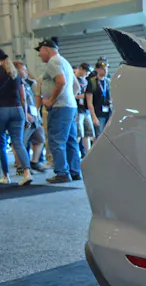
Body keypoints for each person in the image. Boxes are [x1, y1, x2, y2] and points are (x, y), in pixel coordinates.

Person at [35, 39, 81, 184]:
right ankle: (74, 172)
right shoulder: (65, 62)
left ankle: (62, 173)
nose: (39, 54)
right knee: (71, 141)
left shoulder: (53, 62)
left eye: (40, 51)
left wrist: (51, 100)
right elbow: (76, 86)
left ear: (47, 49)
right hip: (70, 107)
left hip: (60, 108)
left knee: (56, 141)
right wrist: (68, 98)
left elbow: (61, 81)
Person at [0, 48, 33, 186]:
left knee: (2, 144)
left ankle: (6, 176)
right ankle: (27, 173)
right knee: (18, 142)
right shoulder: (15, 75)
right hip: (18, 110)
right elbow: (23, 98)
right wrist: (25, 116)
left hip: (1, 110)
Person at [13, 61, 47, 172]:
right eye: (23, 69)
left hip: (34, 116)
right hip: (23, 116)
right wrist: (25, 114)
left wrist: (36, 113)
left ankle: (34, 162)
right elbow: (17, 100)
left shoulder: (26, 83)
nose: (26, 71)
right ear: (17, 70)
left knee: (40, 138)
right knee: (20, 143)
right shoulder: (14, 83)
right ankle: (20, 167)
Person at [86, 60, 111, 138]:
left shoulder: (108, 82)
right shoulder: (92, 82)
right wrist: (94, 117)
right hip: (98, 114)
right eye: (103, 69)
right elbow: (89, 102)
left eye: (106, 68)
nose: (105, 71)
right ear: (97, 69)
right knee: (99, 136)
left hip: (108, 113)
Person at [74, 62, 94, 157]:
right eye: (86, 72)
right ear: (81, 69)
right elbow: (70, 95)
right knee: (78, 134)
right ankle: (74, 154)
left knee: (87, 133)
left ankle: (88, 154)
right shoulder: (74, 80)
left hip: (86, 110)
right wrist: (80, 96)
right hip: (78, 110)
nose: (87, 74)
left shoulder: (86, 81)